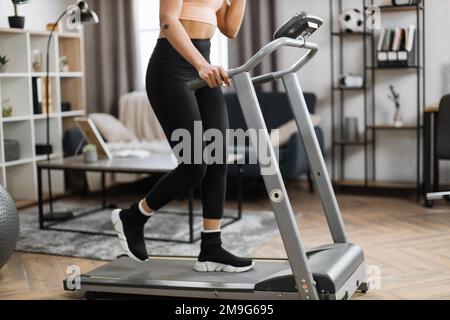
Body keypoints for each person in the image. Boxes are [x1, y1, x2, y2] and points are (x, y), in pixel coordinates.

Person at [111, 0, 253, 273]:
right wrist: (201, 65)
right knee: (194, 165)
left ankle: (211, 249)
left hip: (204, 63)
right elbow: (168, 19)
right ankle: (132, 217)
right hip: (171, 66)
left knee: (217, 160)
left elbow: (230, 28)